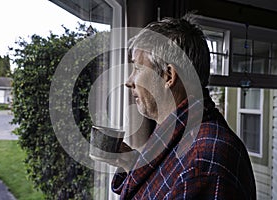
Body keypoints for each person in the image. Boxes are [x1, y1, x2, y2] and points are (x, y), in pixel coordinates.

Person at [105, 15, 256, 199]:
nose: (129, 81)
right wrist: (132, 163)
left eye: (137, 69)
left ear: (169, 76)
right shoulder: (178, 134)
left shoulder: (204, 163)